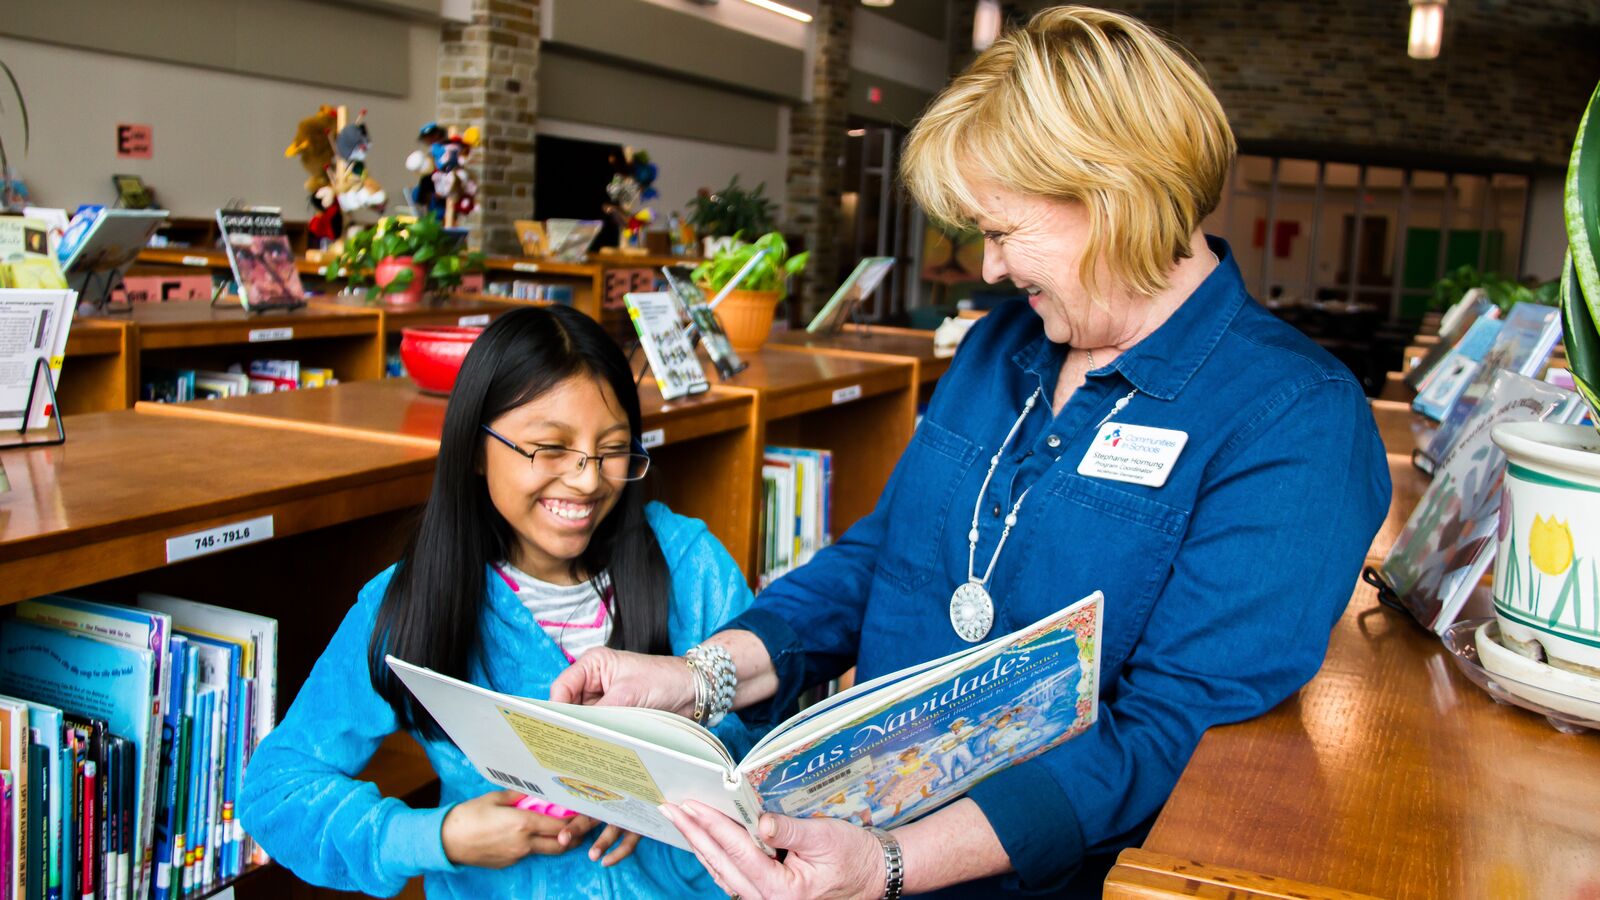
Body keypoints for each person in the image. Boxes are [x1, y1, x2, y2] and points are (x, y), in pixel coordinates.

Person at [553, 7, 1391, 898]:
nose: (988, 269)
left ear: (1113, 195)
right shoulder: (1002, 347)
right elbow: (885, 556)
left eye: (1001, 231)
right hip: (845, 843)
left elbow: (1169, 730)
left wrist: (891, 865)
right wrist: (698, 679)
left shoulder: (1293, 417)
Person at [239, 305, 761, 897]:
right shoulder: (415, 600)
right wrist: (440, 836)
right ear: (475, 449)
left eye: (612, 448)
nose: (588, 480)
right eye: (550, 448)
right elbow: (275, 789)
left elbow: (763, 751)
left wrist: (665, 792)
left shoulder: (690, 567)